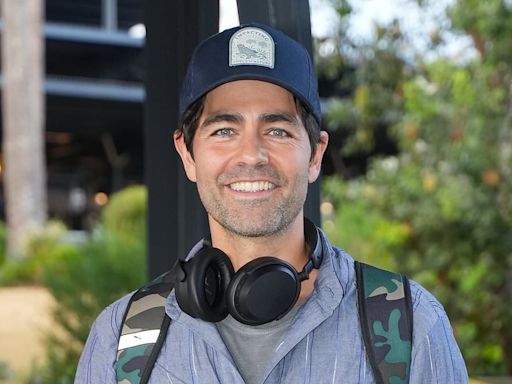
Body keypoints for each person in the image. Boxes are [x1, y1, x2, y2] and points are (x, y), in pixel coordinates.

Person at [75, 23, 468, 383]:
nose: (252, 155)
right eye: (225, 130)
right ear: (188, 154)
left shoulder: (411, 326)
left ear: (315, 155)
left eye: (278, 130)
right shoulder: (121, 340)